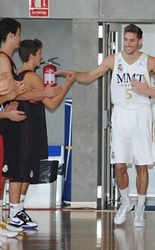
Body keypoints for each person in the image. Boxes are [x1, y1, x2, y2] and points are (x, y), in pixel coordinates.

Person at [58, 24, 155, 227]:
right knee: (119, 166)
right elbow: (89, 76)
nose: (128, 44)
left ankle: (140, 207)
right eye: (126, 40)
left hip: (141, 115)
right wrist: (75, 74)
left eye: (132, 40)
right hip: (121, 115)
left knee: (141, 165)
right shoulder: (114, 59)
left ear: (139, 41)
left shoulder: (148, 61)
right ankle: (126, 202)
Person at [5, 38, 75, 229]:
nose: (42, 56)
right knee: (22, 173)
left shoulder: (16, 74)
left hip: (20, 128)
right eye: (40, 53)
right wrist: (68, 84)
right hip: (28, 130)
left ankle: (18, 211)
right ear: (33, 55)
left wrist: (50, 91)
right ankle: (15, 213)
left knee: (22, 172)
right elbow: (52, 103)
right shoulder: (33, 77)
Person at [0, 18, 62, 230]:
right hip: (19, 129)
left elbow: (17, 94)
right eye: (17, 33)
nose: (19, 37)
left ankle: (10, 218)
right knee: (13, 173)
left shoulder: (11, 63)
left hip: (15, 125)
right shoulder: (5, 60)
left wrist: (15, 93)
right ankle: (11, 216)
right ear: (10, 35)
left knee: (12, 173)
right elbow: (50, 101)